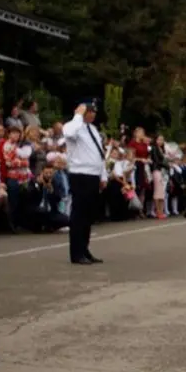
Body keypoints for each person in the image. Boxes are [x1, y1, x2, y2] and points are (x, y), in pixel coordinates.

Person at [62, 99, 107, 265]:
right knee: (79, 214)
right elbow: (68, 133)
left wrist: (103, 176)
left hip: (93, 175)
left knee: (88, 215)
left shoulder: (93, 129)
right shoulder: (73, 126)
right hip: (80, 174)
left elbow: (99, 153)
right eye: (89, 111)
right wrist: (77, 116)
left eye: (94, 111)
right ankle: (76, 253)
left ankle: (85, 249)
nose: (92, 114)